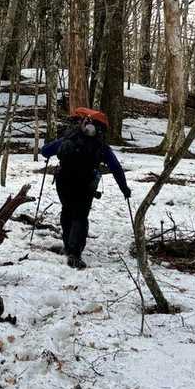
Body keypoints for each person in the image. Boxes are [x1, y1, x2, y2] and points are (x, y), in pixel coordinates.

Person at [40, 107, 130, 269]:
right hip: (86, 185)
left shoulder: (69, 138)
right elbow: (116, 167)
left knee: (67, 211)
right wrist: (124, 188)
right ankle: (74, 253)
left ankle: (69, 247)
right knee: (80, 216)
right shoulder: (101, 146)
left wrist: (52, 145)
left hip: (64, 182)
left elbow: (45, 152)